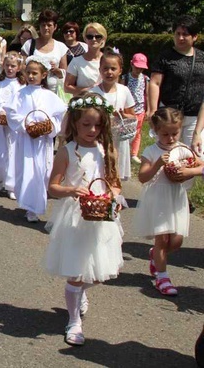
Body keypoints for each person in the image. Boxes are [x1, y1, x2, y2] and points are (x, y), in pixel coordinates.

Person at [43, 93, 124, 347]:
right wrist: (70, 190)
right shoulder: (67, 152)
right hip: (75, 218)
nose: (92, 130)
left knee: (99, 273)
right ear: (75, 124)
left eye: (98, 125)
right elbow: (52, 187)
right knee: (76, 272)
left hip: (100, 216)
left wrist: (114, 196)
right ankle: (73, 320)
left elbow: (114, 183)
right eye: (86, 124)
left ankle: (80, 294)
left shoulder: (105, 150)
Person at [135, 107, 202, 296]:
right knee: (162, 238)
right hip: (158, 198)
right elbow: (142, 177)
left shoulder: (182, 149)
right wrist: (158, 164)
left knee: (176, 241)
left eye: (175, 133)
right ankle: (162, 277)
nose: (171, 138)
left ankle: (155, 255)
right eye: (165, 134)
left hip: (176, 197)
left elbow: (200, 165)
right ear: (156, 130)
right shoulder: (151, 150)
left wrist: (189, 170)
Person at [3, 55, 67, 222]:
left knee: (41, 172)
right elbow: (12, 113)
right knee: (27, 170)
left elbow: (58, 116)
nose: (31, 76)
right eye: (28, 73)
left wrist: (49, 125)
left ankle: (36, 205)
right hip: (25, 140)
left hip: (42, 142)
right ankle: (29, 206)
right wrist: (27, 124)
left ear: (43, 75)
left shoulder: (49, 96)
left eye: (35, 73)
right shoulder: (20, 93)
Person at [148, 15, 204, 149]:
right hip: (169, 115)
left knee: (195, 153)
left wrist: (198, 130)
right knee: (169, 154)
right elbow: (155, 83)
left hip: (194, 116)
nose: (180, 38)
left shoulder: (202, 58)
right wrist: (152, 110)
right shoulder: (165, 57)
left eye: (185, 34)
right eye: (177, 34)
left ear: (194, 36)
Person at [91, 49, 136, 181]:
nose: (109, 72)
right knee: (99, 171)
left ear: (120, 70)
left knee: (116, 171)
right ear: (100, 70)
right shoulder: (93, 92)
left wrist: (123, 115)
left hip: (119, 138)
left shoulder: (124, 91)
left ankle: (115, 198)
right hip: (100, 136)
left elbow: (133, 116)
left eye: (113, 68)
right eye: (105, 68)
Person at [0, 52, 24, 199]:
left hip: (15, 126)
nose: (10, 68)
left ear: (19, 67)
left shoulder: (22, 85)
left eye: (13, 66)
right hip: (1, 125)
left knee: (14, 153)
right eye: (7, 65)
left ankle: (11, 184)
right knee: (0, 151)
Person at [20, 9, 68, 95]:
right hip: (32, 91)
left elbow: (64, 73)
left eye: (49, 25)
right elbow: (22, 67)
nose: (46, 28)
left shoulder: (61, 47)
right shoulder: (29, 44)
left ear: (55, 27)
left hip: (54, 92)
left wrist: (56, 70)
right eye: (43, 25)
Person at [64, 23, 105, 97]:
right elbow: (67, 87)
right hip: (84, 103)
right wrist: (87, 90)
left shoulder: (108, 60)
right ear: (85, 39)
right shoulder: (76, 61)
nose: (94, 39)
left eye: (98, 36)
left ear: (103, 39)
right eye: (90, 37)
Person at [124, 53, 150, 164]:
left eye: (141, 68)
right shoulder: (125, 78)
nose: (138, 70)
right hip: (127, 110)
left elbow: (147, 94)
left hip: (140, 110)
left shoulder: (145, 79)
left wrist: (148, 109)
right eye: (136, 67)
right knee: (125, 132)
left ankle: (134, 153)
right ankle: (124, 152)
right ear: (131, 64)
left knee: (137, 133)